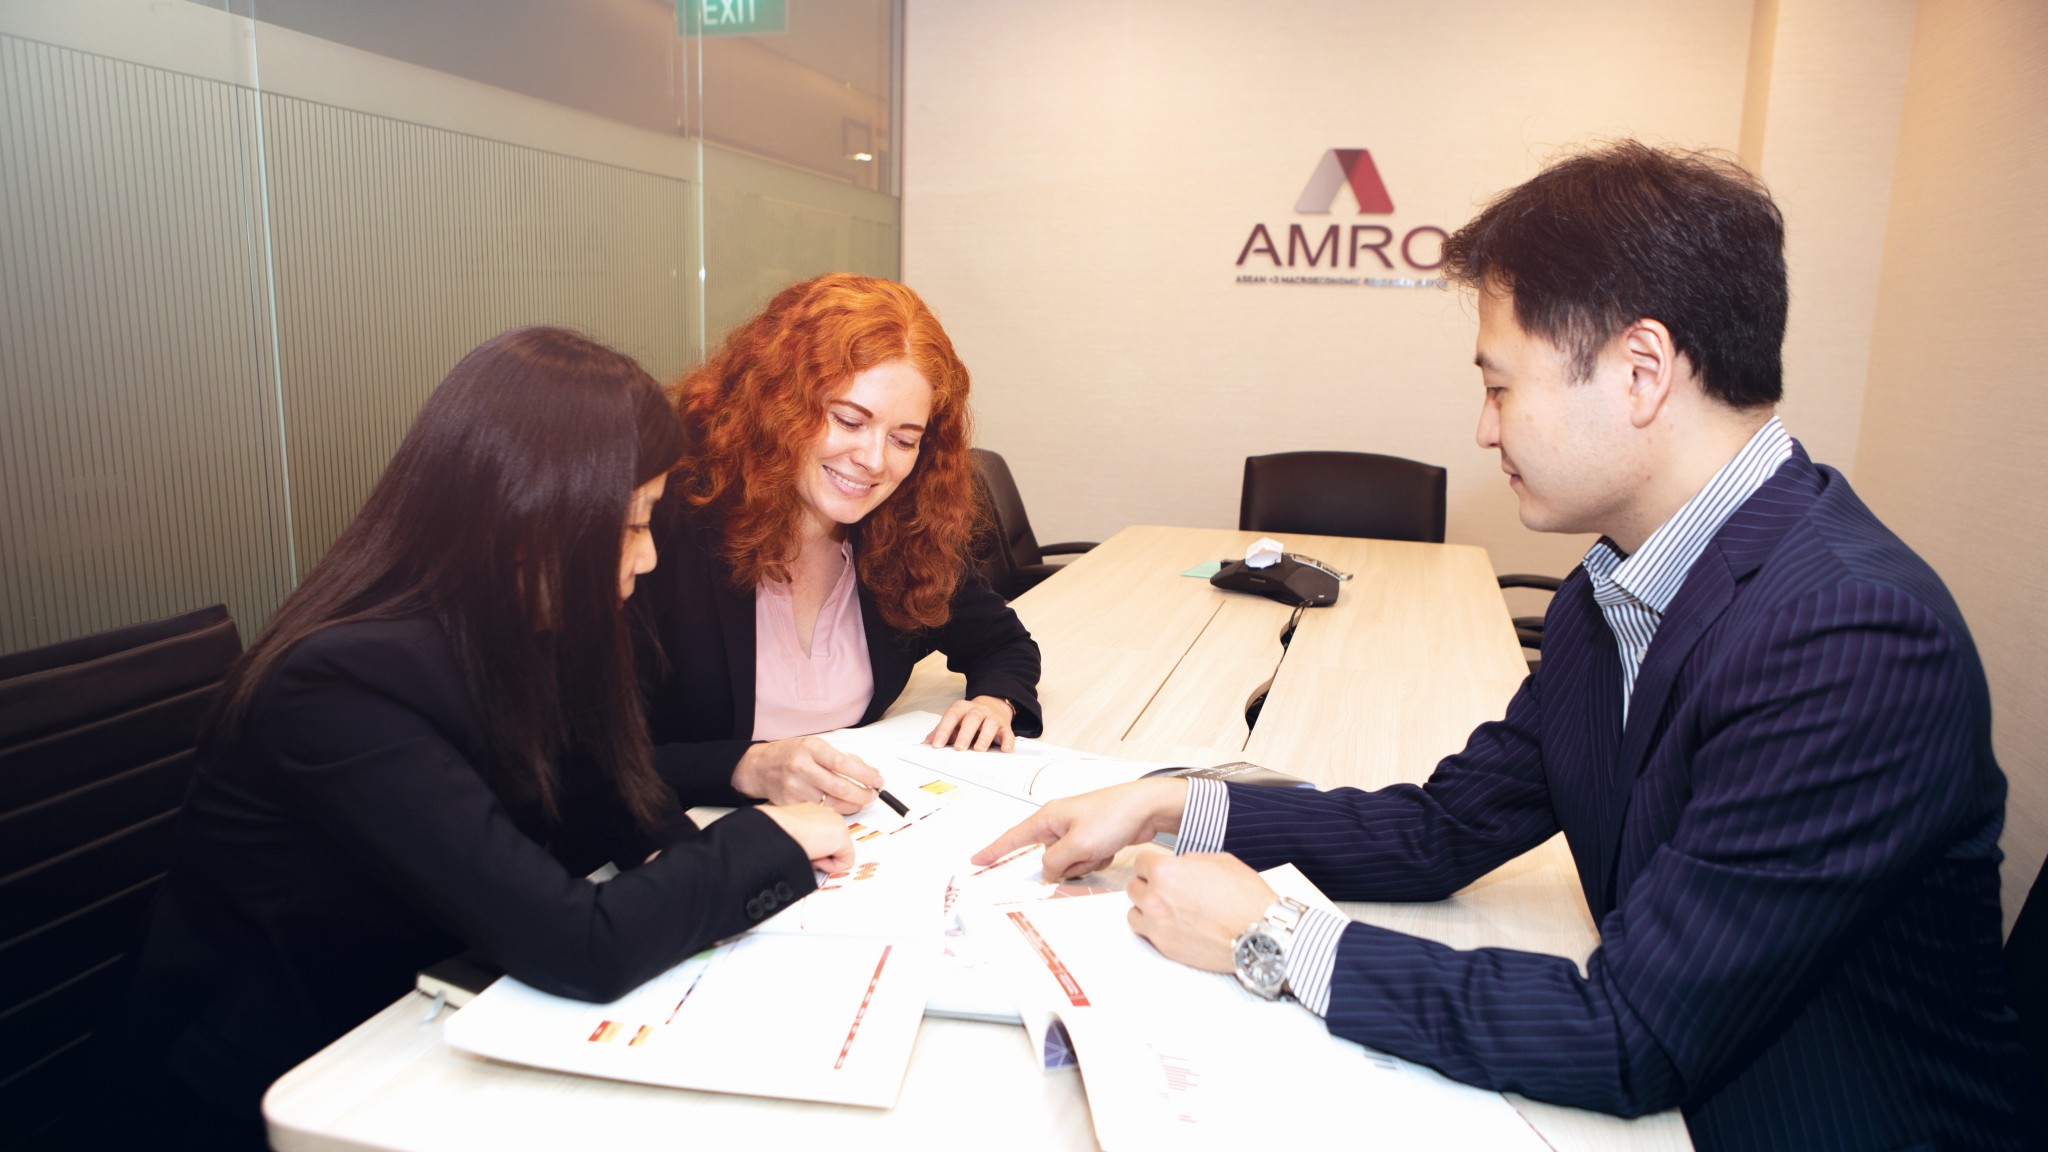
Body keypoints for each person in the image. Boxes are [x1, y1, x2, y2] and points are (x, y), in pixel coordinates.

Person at [975, 143, 2039, 1149]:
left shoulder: (1849, 635)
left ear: (1640, 371)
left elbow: (1633, 1034)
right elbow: (1444, 830)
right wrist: (1168, 801)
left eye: (1499, 386)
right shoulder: (1611, 588)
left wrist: (1276, 940)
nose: (1484, 430)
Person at [91, 327, 852, 1150]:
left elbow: (609, 794)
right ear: (533, 518)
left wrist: (672, 851)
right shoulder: (343, 681)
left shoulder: (527, 622)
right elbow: (577, 943)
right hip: (291, 1079)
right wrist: (764, 841)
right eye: (632, 525)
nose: (650, 557)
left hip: (440, 1009)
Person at [638, 273, 1042, 815]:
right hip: (695, 837)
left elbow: (1003, 643)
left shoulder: (902, 531)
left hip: (858, 834)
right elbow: (584, 765)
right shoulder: (662, 532)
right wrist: (744, 767)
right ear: (776, 403)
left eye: (903, 439)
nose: (874, 461)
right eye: (849, 421)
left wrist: (995, 702)